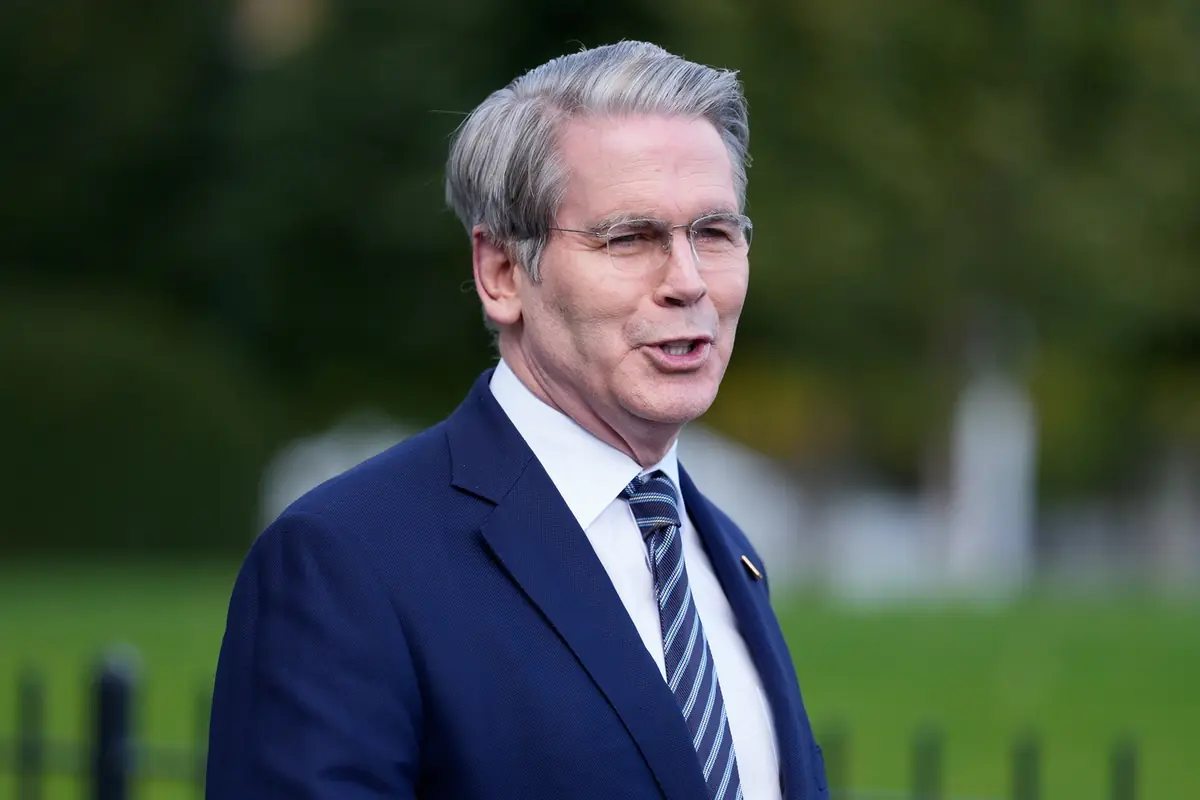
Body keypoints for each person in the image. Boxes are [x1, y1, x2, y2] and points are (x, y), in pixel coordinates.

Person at [206, 40, 828, 800]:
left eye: (715, 232)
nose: (688, 282)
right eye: (629, 238)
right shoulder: (347, 565)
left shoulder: (726, 552)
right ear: (501, 274)